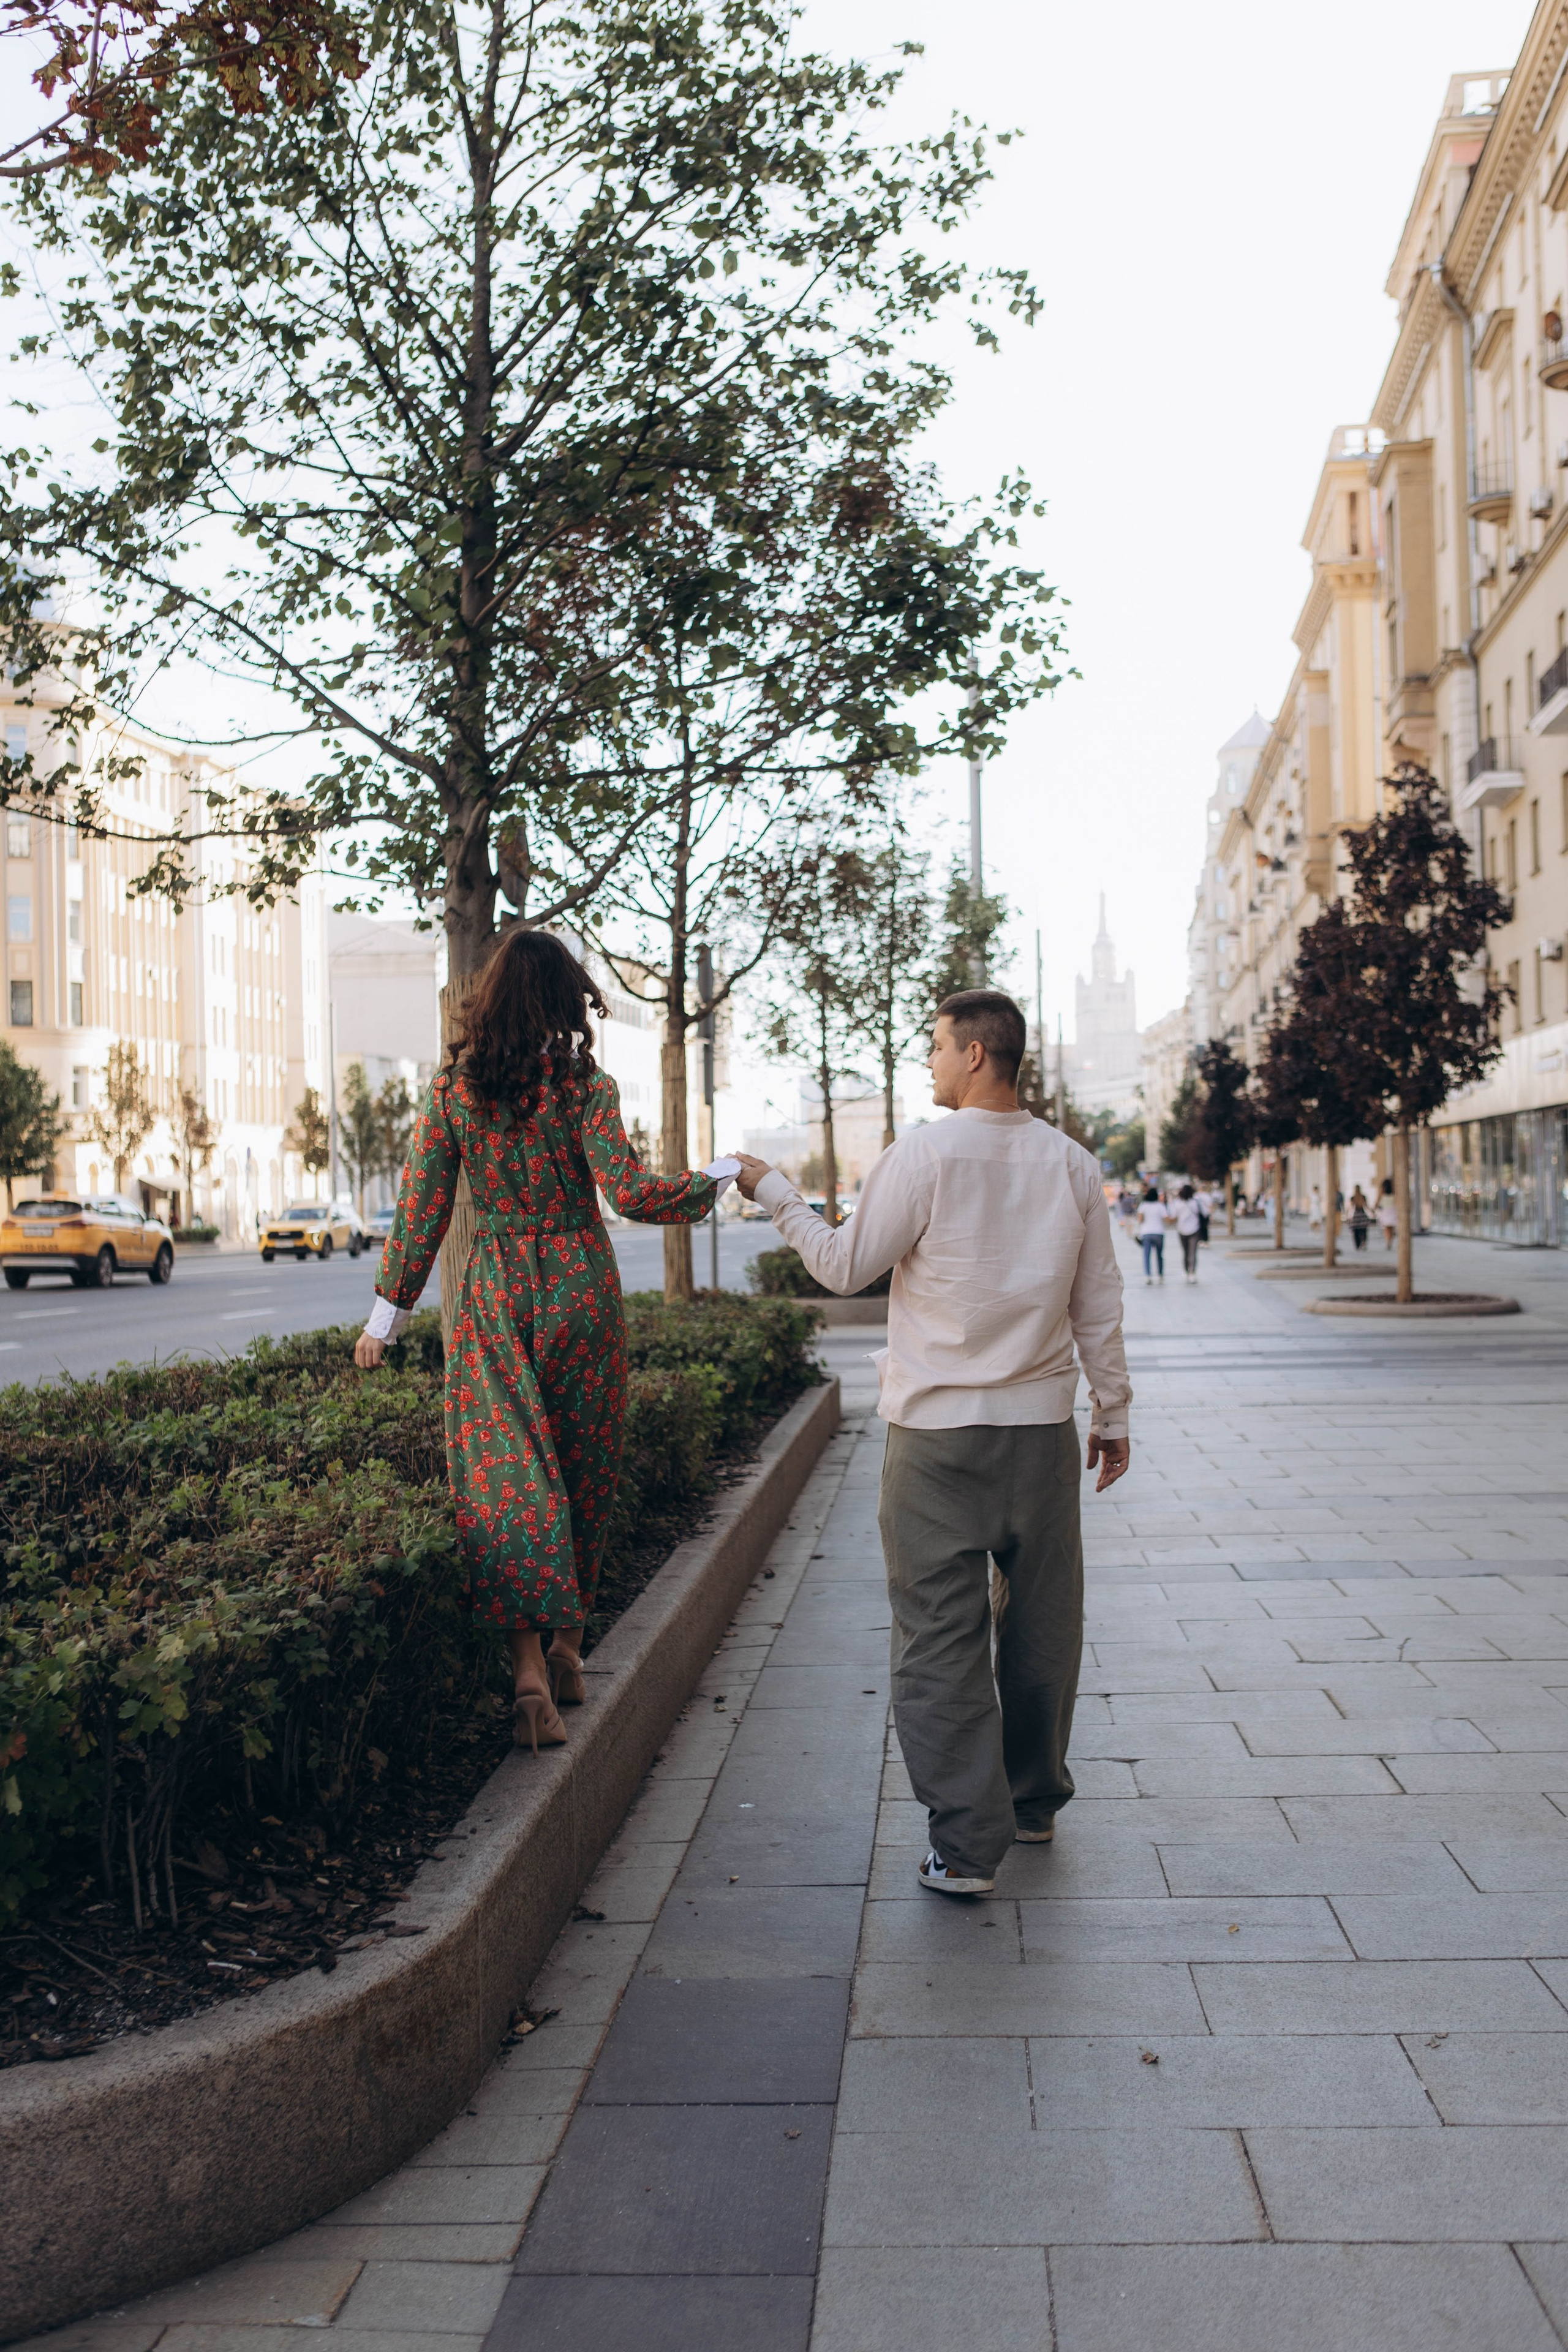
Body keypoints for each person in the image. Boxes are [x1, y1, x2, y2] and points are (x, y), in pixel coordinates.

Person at [732, 988, 1130, 1899]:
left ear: (978, 1055)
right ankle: (1032, 1804)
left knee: (937, 1641)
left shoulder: (922, 1154)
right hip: (1037, 1437)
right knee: (1043, 1632)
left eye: (938, 1048)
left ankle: (964, 1848)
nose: (929, 1063)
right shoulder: (1071, 1164)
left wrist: (777, 1195)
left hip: (934, 1444)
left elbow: (843, 1267)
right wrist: (1113, 1415)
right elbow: (1097, 1302)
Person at [353, 929, 731, 1755]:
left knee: (504, 1475)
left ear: (487, 1004)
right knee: (584, 1463)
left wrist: (389, 1315)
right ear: (567, 1003)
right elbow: (629, 1192)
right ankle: (568, 1646)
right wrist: (716, 1181)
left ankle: (528, 1671)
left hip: (491, 1291)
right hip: (578, 1284)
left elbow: (422, 1207)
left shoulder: (454, 1092)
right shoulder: (588, 1087)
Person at [1136, 1185, 1169, 1283]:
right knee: (1159, 1255)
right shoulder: (1160, 1206)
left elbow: (1140, 1219)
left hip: (1146, 1233)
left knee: (1147, 1255)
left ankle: (1148, 1276)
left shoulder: (1143, 1205)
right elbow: (1166, 1219)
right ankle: (1160, 1275)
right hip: (1159, 1232)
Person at [1174, 1182, 1202, 1282]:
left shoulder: (1178, 1202)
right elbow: (1203, 1214)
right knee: (1193, 1252)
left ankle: (1187, 1271)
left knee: (1185, 1252)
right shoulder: (1196, 1202)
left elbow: (1174, 1216)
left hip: (1182, 1230)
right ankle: (1192, 1272)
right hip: (1194, 1230)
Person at [1348, 1184, 1372, 1250]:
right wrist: (1372, 1212)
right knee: (1364, 1231)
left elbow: (1351, 1208)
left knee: (1356, 1231)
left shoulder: (1353, 1198)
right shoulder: (1363, 1197)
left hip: (1356, 1216)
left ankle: (1358, 1244)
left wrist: (1348, 1216)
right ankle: (1363, 1242)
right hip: (1362, 1215)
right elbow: (1366, 1206)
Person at [1377, 1175, 1397, 1251]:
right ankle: (1390, 1241)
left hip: (1385, 1211)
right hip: (1392, 1210)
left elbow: (1378, 1202)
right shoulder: (1394, 1193)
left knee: (1386, 1228)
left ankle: (1388, 1241)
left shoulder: (1382, 1193)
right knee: (1391, 1228)